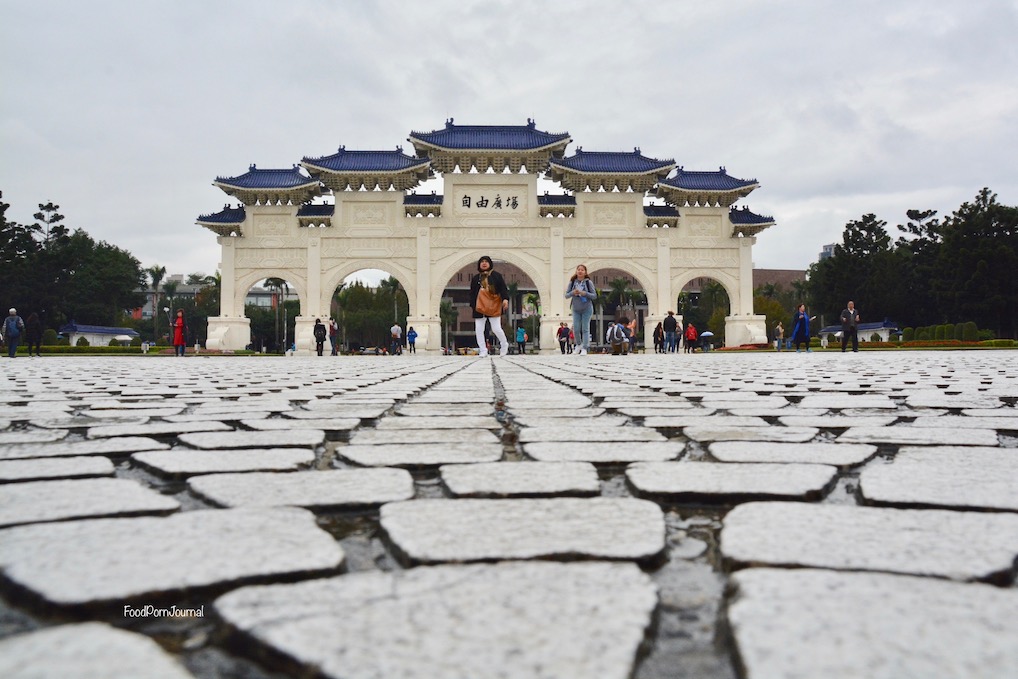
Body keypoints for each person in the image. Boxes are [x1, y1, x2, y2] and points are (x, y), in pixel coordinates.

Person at [469, 255, 510, 357]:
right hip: (479, 307)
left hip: (494, 305)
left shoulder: (497, 276)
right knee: (479, 329)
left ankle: (504, 344)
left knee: (496, 328)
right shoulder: (475, 278)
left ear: (490, 263)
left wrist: (505, 299)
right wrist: (473, 305)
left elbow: (503, 289)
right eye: (482, 261)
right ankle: (483, 350)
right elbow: (472, 293)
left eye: (486, 261)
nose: (484, 263)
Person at [564, 264, 596, 355]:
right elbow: (566, 295)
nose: (580, 271)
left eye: (582, 270)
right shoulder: (572, 282)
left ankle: (585, 348)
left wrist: (584, 293)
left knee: (585, 328)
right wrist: (573, 292)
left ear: (585, 272)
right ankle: (578, 345)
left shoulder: (588, 282)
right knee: (576, 329)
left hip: (587, 308)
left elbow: (594, 296)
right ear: (576, 271)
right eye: (578, 269)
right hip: (576, 309)